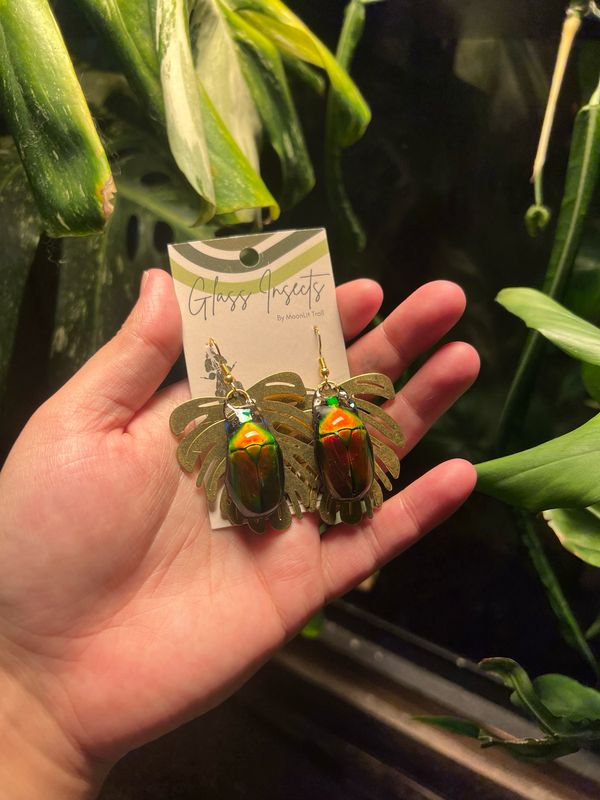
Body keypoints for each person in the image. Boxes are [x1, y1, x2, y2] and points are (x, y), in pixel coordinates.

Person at [0, 270, 479, 799]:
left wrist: (40, 728)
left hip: (275, 464)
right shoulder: (295, 429)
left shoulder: (287, 432)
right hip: (271, 465)